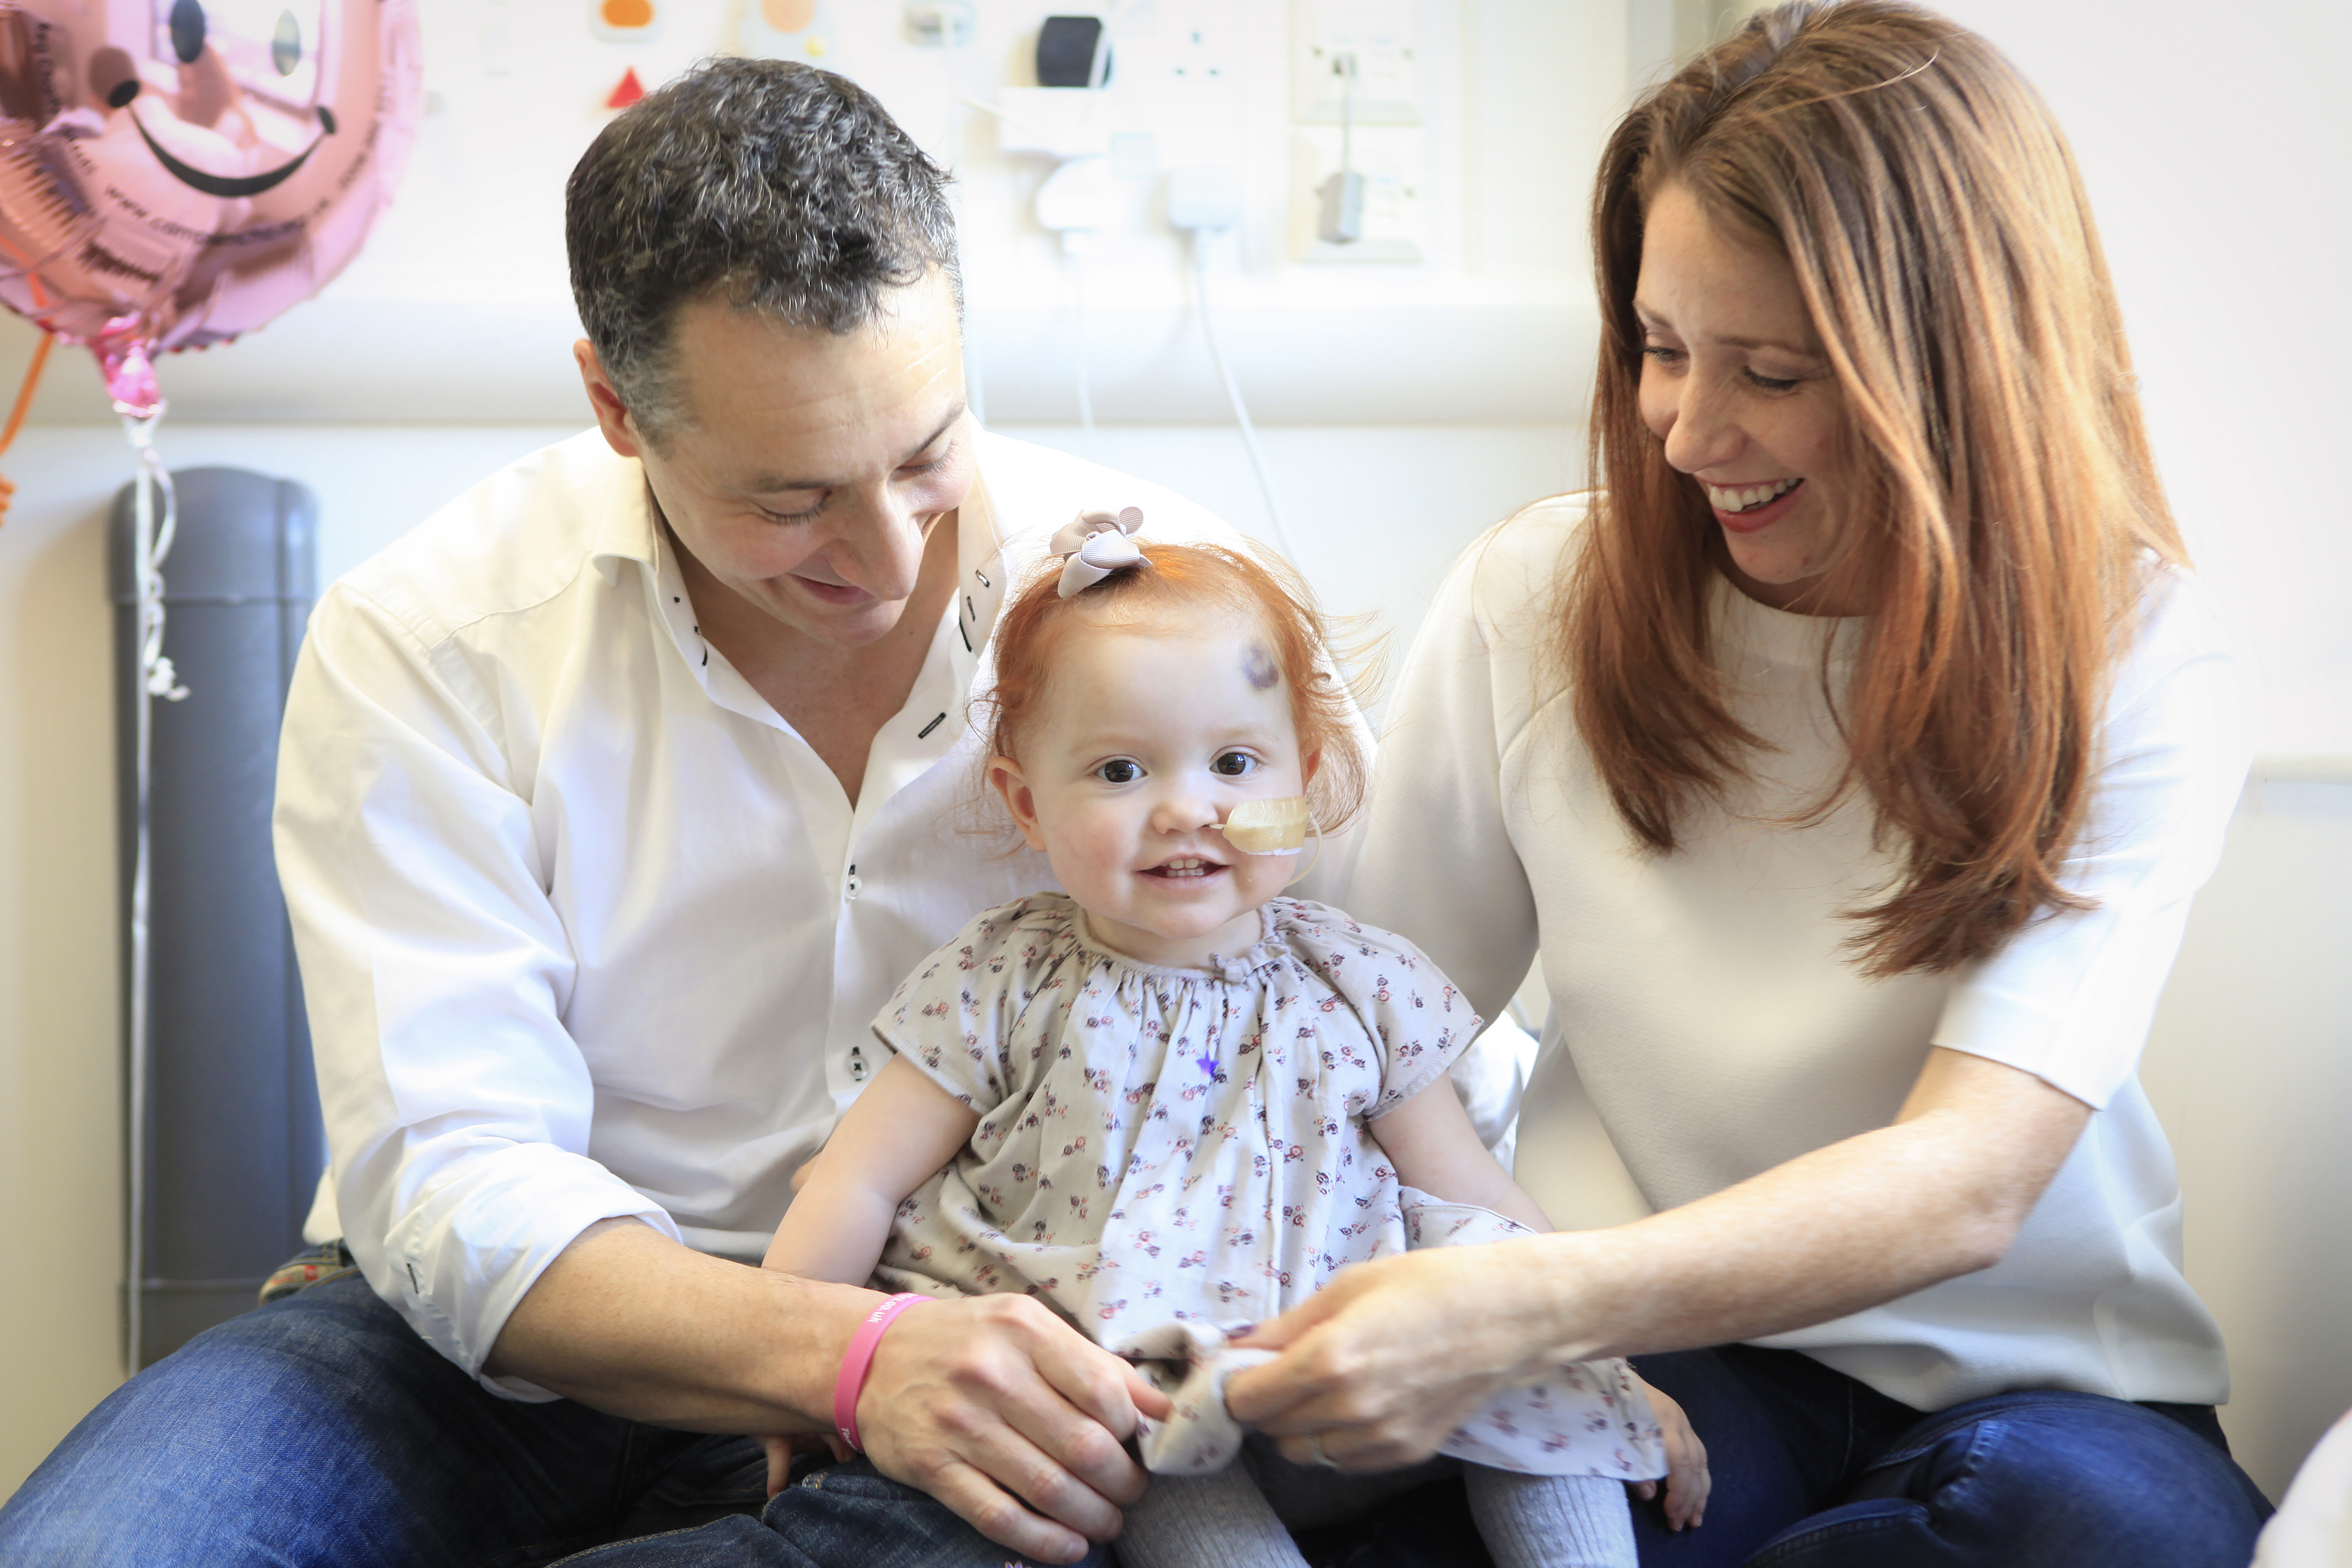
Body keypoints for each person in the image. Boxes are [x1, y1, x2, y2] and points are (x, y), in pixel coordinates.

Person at [0, 60, 1272, 1568]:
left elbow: (1348, 991)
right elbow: (456, 1176)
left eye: (929, 451)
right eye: (792, 501)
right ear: (616, 405)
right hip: (494, 1345)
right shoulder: (434, 636)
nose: (884, 558)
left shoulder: (1170, 606)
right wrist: (843, 1352)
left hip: (984, 1317)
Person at [1216, 4, 2274, 1566]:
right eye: (1661, 348)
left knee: (2082, 1532)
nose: (1688, 432)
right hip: (1659, 1357)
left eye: (1772, 371)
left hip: (2043, 1380)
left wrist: (1525, 1299)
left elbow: (1969, 1177)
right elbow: (1356, 1016)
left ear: (1956, 373)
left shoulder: (2134, 650)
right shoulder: (1537, 598)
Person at [710, 534, 1710, 1568]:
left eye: (1235, 764)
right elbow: (859, 1180)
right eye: (1119, 770)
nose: (1188, 810)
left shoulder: (1361, 981)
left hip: (1370, 1376)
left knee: (1504, 1333)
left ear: (1304, 781)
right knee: (1110, 1434)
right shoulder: (1002, 980)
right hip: (1146, 1398)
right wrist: (794, 1378)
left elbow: (1475, 1194)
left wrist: (1605, 1370)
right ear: (1027, 802)